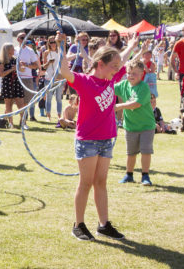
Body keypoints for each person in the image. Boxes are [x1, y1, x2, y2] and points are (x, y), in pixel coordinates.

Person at [56, 30, 138, 241]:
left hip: (106, 139)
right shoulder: (85, 81)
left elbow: (124, 57)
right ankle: (78, 225)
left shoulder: (111, 79)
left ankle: (104, 224)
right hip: (87, 141)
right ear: (100, 63)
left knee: (101, 182)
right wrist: (61, 45)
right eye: (114, 67)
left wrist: (132, 44)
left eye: (118, 68)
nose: (117, 71)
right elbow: (64, 71)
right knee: (86, 183)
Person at [115, 60, 157, 186]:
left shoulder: (143, 87)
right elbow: (108, 88)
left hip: (146, 126)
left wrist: (118, 106)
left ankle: (145, 175)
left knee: (146, 151)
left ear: (142, 74)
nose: (131, 76)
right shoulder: (123, 85)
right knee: (131, 152)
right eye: (128, 73)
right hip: (130, 126)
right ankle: (129, 174)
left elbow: (136, 104)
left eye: (134, 73)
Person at [0, 43, 25, 128]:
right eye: (13, 49)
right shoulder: (1, 61)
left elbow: (22, 70)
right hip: (7, 83)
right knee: (8, 104)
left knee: (21, 104)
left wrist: (20, 67)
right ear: (8, 50)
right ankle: (10, 123)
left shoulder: (15, 59)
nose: (14, 50)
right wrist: (11, 69)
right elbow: (1, 74)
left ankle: (23, 123)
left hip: (16, 82)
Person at [16, 34, 41, 124]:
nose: (24, 39)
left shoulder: (30, 51)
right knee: (16, 101)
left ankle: (23, 120)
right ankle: (17, 121)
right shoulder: (14, 50)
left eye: (26, 38)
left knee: (27, 101)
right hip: (16, 78)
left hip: (27, 78)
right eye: (23, 38)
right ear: (18, 39)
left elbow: (35, 65)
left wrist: (26, 65)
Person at [42, 37, 63, 122]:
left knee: (59, 98)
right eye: (51, 42)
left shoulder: (60, 51)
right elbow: (44, 66)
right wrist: (49, 62)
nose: (53, 44)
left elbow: (63, 64)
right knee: (49, 98)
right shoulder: (46, 53)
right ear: (48, 43)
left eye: (54, 42)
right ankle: (48, 116)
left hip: (59, 77)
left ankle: (59, 116)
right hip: (49, 77)